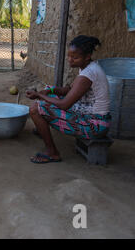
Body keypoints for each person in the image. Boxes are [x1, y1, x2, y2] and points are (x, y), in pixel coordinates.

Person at [26, 36, 111, 164]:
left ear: (87, 56)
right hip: (89, 116)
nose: (70, 60)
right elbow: (69, 89)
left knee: (35, 109)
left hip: (94, 125)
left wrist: (39, 95)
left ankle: (52, 152)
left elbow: (65, 105)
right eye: (69, 56)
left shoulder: (88, 74)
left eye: (75, 58)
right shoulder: (88, 67)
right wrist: (49, 91)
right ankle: (41, 128)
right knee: (50, 91)